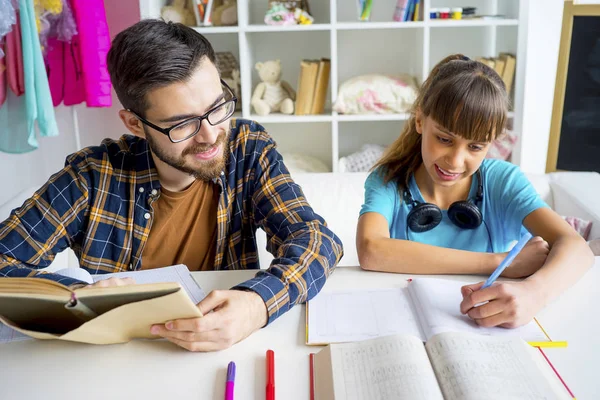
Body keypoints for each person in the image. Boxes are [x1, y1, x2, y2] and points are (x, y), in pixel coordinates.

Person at [0, 20, 343, 351]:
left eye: (216, 108)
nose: (211, 135)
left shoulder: (246, 148)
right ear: (135, 123)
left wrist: (257, 305)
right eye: (182, 125)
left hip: (224, 355)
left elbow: (316, 240)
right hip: (115, 365)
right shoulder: (91, 176)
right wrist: (79, 294)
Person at [356, 54, 594, 329]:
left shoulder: (502, 181)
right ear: (420, 120)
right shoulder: (389, 180)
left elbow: (576, 247)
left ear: (492, 142)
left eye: (475, 147)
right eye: (444, 139)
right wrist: (501, 262)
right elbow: (371, 250)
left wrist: (533, 294)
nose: (455, 161)